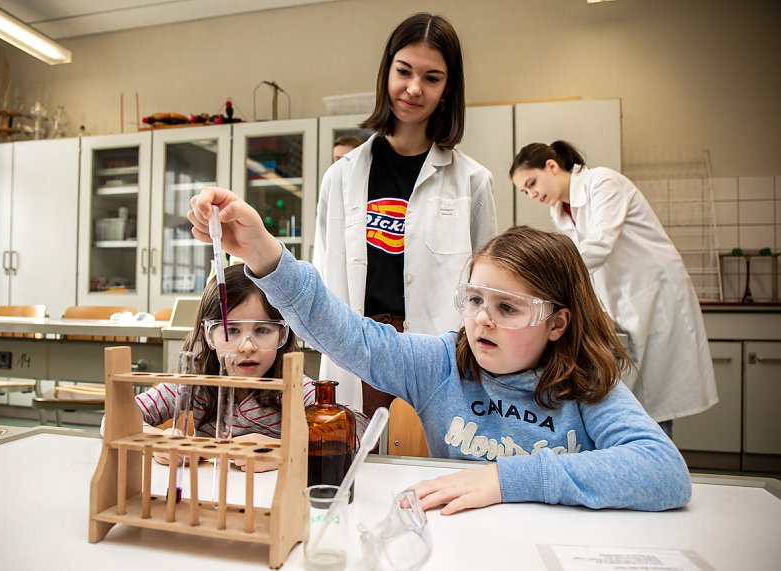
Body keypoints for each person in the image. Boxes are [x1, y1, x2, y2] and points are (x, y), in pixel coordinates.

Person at [187, 186, 692, 514]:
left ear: (557, 322)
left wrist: (506, 480)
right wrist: (263, 253)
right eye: (474, 300)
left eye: (508, 308)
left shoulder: (584, 383)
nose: (482, 319)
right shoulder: (441, 363)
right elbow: (344, 333)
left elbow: (663, 471)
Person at [313, 13, 497, 418]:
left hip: (437, 356)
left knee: (429, 453)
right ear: (386, 73)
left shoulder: (472, 181)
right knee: (358, 449)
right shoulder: (341, 177)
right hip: (359, 348)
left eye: (432, 78)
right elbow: (324, 274)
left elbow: (487, 287)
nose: (414, 88)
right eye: (404, 71)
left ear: (447, 89)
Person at [510, 141, 717, 437]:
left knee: (655, 397)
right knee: (635, 396)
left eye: (531, 183)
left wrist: (541, 276)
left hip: (655, 293)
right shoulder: (560, 211)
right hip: (623, 300)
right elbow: (586, 268)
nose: (531, 194)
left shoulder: (602, 183)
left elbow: (599, 245)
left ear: (552, 166)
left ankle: (657, 457)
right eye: (524, 191)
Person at [131, 264, 368, 472]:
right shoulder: (195, 382)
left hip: (273, 501)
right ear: (208, 335)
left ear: (282, 334)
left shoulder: (292, 386)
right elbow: (119, 414)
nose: (247, 347)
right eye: (232, 330)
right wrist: (157, 442)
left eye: (262, 330)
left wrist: (284, 449)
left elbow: (360, 428)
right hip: (210, 498)